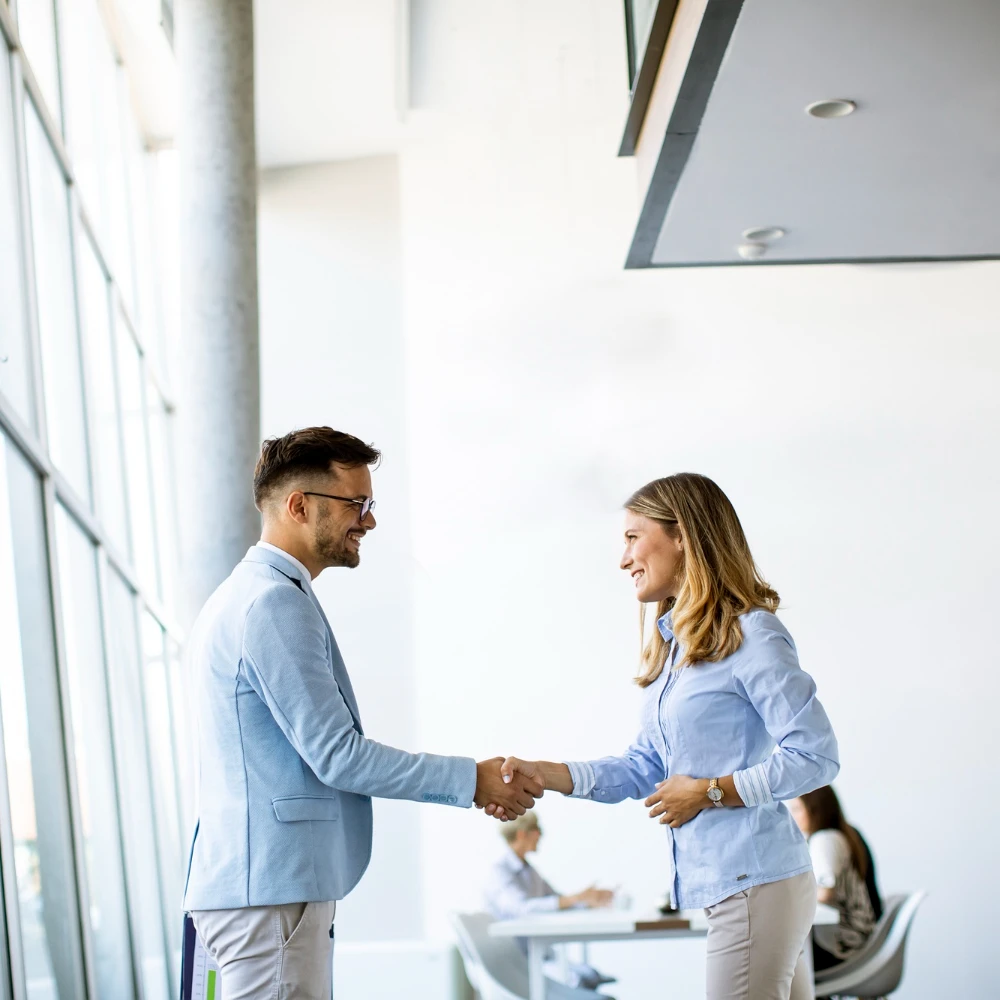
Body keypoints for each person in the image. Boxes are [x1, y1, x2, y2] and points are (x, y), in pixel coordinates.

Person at [183, 427, 541, 1000]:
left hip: (258, 890)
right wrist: (469, 780)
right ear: (300, 506)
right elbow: (338, 755)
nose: (369, 520)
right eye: (357, 504)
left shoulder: (246, 594)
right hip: (269, 895)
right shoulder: (272, 603)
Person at [496, 473, 840, 1000]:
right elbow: (643, 767)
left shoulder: (751, 634)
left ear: (682, 535)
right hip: (743, 886)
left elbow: (815, 756)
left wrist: (708, 791)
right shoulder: (675, 650)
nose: (623, 557)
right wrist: (548, 775)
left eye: (633, 537)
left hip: (755, 881)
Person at [484, 811, 616, 990]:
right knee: (581, 981)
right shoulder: (499, 871)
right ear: (522, 834)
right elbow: (522, 908)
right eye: (537, 829)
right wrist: (575, 898)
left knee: (590, 976)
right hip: (518, 958)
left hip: (541, 953)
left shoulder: (530, 871)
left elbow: (557, 901)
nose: (541, 834)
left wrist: (586, 901)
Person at [788, 787, 880, 971]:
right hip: (859, 936)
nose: (791, 816)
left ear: (815, 809)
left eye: (797, 809)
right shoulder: (844, 833)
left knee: (775, 955)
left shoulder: (825, 840)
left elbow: (825, 893)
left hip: (843, 943)